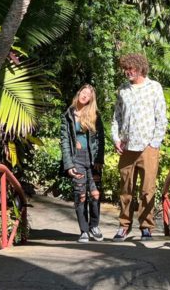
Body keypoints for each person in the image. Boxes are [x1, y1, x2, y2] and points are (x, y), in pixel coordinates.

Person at [110, 53, 167, 242]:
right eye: (125, 69)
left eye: (131, 69)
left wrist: (154, 143)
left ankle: (146, 227)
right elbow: (116, 117)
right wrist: (116, 139)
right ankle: (124, 226)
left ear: (141, 68)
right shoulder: (123, 90)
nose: (127, 72)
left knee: (147, 189)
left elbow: (161, 117)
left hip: (148, 147)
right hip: (127, 148)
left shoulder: (154, 88)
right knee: (126, 189)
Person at [60, 84, 105, 242]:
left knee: (95, 194)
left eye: (89, 95)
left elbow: (101, 139)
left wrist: (100, 159)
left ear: (91, 100)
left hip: (93, 159)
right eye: (83, 92)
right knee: (81, 196)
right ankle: (84, 230)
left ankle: (94, 225)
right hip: (76, 158)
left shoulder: (95, 115)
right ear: (79, 93)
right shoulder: (68, 115)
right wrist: (69, 164)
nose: (85, 95)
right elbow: (65, 141)